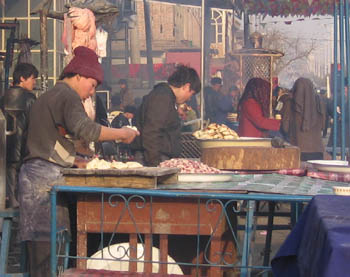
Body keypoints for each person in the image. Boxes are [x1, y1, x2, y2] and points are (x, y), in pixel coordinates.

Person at [17, 46, 139, 276]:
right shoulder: (67, 95)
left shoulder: (53, 95)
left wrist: (75, 161)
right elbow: (86, 129)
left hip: (38, 179)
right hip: (42, 184)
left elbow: (50, 140)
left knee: (46, 250)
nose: (92, 92)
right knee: (46, 252)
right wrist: (122, 133)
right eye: (92, 85)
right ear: (79, 76)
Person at [133, 65, 201, 166]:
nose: (189, 98)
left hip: (161, 158)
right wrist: (156, 166)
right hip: (153, 160)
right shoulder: (161, 98)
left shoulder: (167, 98)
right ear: (186, 87)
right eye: (191, 93)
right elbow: (152, 132)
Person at [1, 63, 38, 208]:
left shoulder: (4, 97)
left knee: (7, 192)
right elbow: (35, 124)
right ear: (22, 78)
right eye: (33, 78)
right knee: (20, 197)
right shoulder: (30, 99)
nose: (34, 82)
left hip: (4, 150)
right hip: (23, 151)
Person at [282, 77, 326, 161]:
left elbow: (285, 127)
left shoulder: (290, 103)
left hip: (297, 151)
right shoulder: (320, 102)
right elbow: (323, 126)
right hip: (318, 151)